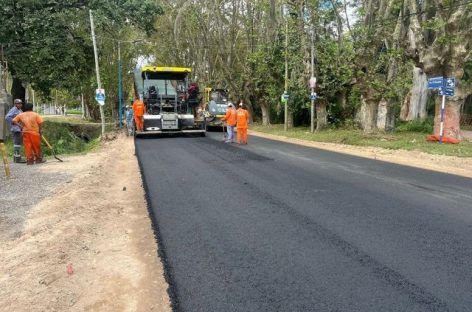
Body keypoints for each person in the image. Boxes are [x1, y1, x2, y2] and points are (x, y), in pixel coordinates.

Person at [5, 99, 26, 163]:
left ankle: (16, 157)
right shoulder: (14, 109)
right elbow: (7, 117)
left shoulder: (19, 110)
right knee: (17, 143)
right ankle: (17, 159)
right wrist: (15, 123)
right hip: (15, 129)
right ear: (15, 104)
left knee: (18, 143)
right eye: (18, 103)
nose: (20, 104)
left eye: (21, 103)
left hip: (19, 129)